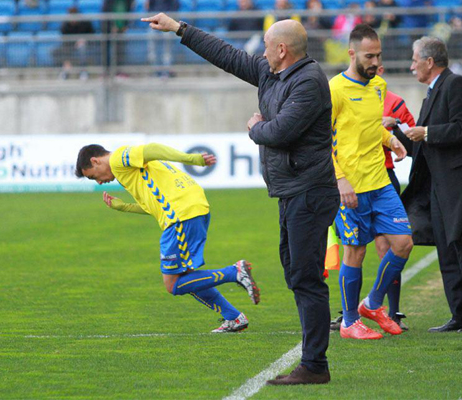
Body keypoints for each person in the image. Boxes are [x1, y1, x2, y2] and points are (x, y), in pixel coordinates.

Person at [141, 14, 339, 385]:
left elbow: (279, 132)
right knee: (297, 274)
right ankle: (314, 361)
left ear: (282, 49)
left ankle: (314, 365)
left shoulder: (310, 82)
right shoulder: (272, 72)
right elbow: (226, 55)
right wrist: (180, 29)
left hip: (310, 192)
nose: (260, 51)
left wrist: (254, 127)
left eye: (266, 45)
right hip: (292, 191)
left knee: (306, 278)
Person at [75, 143, 260, 333]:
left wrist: (192, 159)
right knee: (187, 277)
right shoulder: (129, 172)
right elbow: (154, 207)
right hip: (190, 210)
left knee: (173, 284)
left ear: (95, 161)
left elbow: (153, 149)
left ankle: (234, 272)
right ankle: (233, 317)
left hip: (181, 216)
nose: (98, 182)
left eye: (92, 176)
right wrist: (124, 207)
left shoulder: (118, 158)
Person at [330, 24, 412, 340]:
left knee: (403, 243)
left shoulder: (378, 85)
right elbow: (322, 139)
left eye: (378, 55)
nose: (375, 61)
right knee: (356, 252)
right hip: (350, 187)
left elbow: (370, 127)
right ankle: (350, 322)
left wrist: (391, 141)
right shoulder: (335, 89)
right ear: (352, 54)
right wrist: (340, 180)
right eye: (369, 55)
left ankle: (372, 304)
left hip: (380, 182)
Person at [402, 36, 462, 333]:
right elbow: (422, 143)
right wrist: (398, 134)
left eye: (414, 60)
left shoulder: (454, 85)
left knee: (458, 247)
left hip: (455, 185)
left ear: (429, 61)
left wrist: (426, 132)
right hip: (438, 187)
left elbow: (459, 128)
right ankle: (458, 315)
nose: (411, 66)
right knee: (446, 252)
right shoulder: (431, 92)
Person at [53, 6, 95, 80]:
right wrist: (72, 42)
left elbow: (92, 34)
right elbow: (65, 39)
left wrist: (84, 40)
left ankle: (83, 71)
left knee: (82, 48)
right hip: (70, 45)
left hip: (85, 44)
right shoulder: (65, 25)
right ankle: (65, 70)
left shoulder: (85, 23)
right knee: (59, 49)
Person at [145, 0, 179, 77]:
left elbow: (175, 7)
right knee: (152, 49)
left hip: (167, 24)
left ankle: (166, 71)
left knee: (167, 49)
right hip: (154, 23)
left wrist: (167, 19)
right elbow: (149, 8)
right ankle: (155, 71)